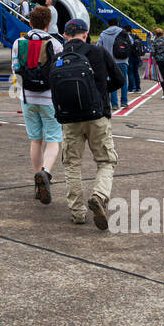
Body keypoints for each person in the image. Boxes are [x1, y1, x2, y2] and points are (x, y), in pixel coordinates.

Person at [53, 17, 125, 229]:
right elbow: (119, 80)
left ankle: (77, 213)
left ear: (65, 35)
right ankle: (99, 196)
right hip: (97, 116)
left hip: (69, 118)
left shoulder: (59, 57)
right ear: (85, 34)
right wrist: (100, 92)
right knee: (105, 161)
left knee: (72, 164)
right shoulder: (99, 52)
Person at [14, 6, 63, 205]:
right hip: (49, 98)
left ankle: (37, 179)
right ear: (48, 23)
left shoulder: (18, 43)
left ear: (30, 22)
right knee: (53, 139)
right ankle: (46, 173)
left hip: (27, 97)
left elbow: (15, 69)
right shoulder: (56, 44)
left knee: (35, 140)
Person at [97, 19, 130, 110]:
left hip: (109, 62)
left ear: (108, 24)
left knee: (112, 82)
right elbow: (131, 43)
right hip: (122, 61)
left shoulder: (103, 34)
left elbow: (98, 46)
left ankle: (114, 104)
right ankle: (124, 102)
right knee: (123, 82)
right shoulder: (123, 33)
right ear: (118, 24)